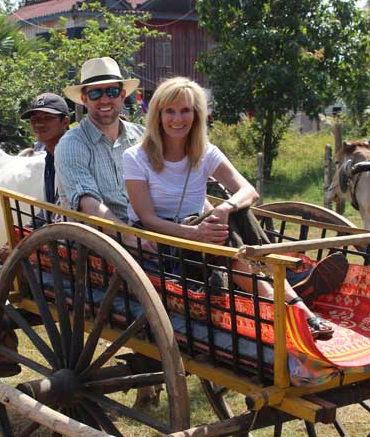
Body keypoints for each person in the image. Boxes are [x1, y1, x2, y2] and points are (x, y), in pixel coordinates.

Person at [123, 77, 340, 339]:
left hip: (206, 235)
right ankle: (292, 301)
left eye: (185, 110)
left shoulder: (205, 152)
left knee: (237, 211)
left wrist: (224, 208)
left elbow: (249, 190)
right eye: (170, 111)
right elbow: (148, 219)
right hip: (165, 244)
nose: (177, 119)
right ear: (157, 115)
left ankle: (287, 300)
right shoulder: (136, 157)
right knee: (227, 233)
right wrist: (196, 233)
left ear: (197, 115)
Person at [56, 57, 145, 238]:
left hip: (146, 230)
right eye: (96, 93)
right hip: (95, 242)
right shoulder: (72, 144)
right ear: (84, 99)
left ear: (122, 95)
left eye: (112, 91)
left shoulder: (142, 136)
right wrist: (131, 238)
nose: (105, 100)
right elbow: (88, 204)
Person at [21, 93, 70, 205]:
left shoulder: (73, 154)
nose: (39, 124)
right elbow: (51, 205)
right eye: (34, 119)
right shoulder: (50, 157)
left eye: (48, 118)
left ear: (65, 122)